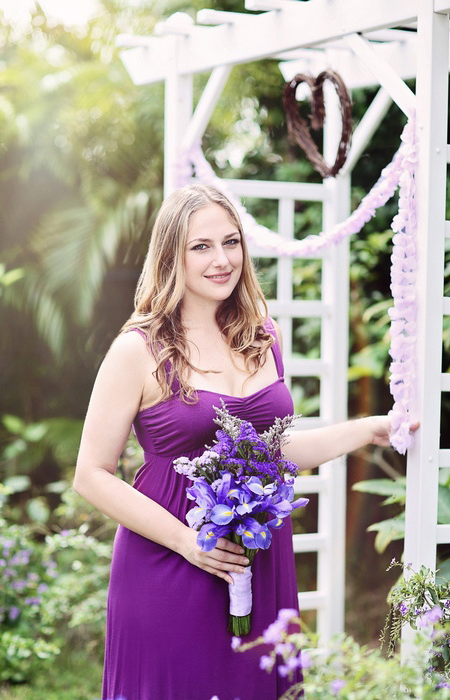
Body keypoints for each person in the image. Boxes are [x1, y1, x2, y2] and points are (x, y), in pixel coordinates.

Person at [73, 184, 416, 700]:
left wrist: (367, 429)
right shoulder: (137, 349)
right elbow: (91, 475)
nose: (222, 260)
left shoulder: (260, 335)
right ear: (172, 256)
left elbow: (274, 452)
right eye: (201, 246)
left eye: (231, 242)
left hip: (258, 556)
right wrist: (190, 544)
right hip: (169, 562)